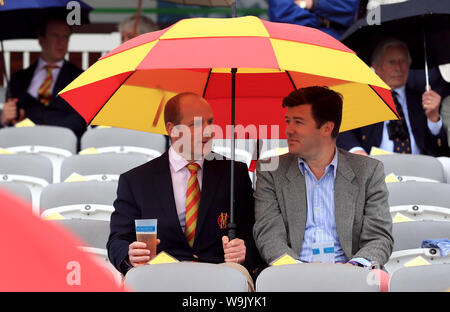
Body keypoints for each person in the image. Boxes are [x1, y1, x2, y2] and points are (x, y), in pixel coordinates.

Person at [107, 92, 261, 289]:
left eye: (210, 122)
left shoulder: (234, 173)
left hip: (218, 280)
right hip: (160, 281)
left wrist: (244, 250)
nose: (208, 131)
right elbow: (117, 240)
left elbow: (254, 234)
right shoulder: (136, 181)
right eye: (196, 124)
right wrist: (130, 254)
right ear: (172, 129)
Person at [253, 86, 393, 269]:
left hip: (352, 276)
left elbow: (379, 238)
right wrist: (296, 272)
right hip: (291, 276)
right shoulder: (270, 171)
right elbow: (269, 236)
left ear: (327, 128)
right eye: (288, 121)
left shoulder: (368, 171)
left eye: (298, 122)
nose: (288, 130)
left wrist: (352, 270)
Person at [337, 39, 450, 156]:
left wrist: (433, 119)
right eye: (392, 62)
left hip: (418, 167)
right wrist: (357, 151)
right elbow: (343, 131)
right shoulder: (363, 98)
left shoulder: (423, 99)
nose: (398, 68)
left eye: (403, 61)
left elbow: (439, 150)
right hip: (376, 166)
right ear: (376, 67)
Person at [0, 18, 86, 138]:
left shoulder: (79, 78)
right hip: (22, 142)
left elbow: (78, 122)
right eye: (55, 36)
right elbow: (11, 123)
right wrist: (4, 119)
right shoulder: (19, 79)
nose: (61, 42)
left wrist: (41, 130)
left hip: (60, 144)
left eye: (65, 37)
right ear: (41, 40)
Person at [267, 0, 359, 39]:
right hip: (300, 44)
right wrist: (322, 20)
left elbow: (348, 9)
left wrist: (312, 4)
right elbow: (282, 14)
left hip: (338, 43)